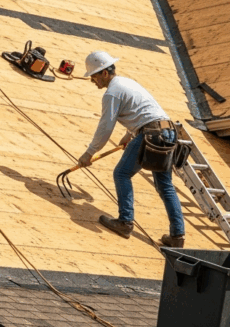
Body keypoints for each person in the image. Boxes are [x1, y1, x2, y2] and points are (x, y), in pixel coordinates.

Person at [78, 52, 185, 248]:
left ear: (103, 73)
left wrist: (89, 153)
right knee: (165, 185)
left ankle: (125, 222)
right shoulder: (127, 83)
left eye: (93, 76)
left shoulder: (111, 93)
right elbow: (143, 109)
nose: (92, 81)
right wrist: (129, 135)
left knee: (121, 174)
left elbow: (105, 127)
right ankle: (177, 237)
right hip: (168, 131)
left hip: (150, 133)